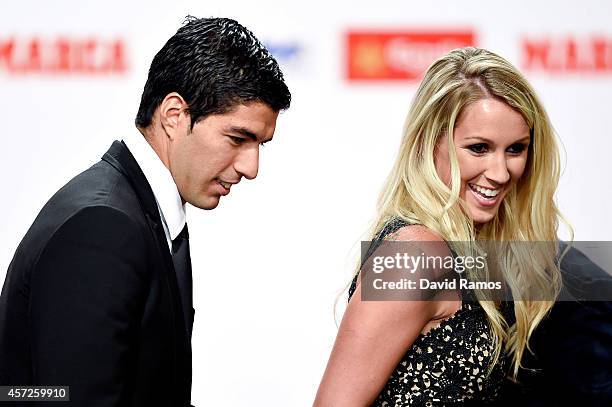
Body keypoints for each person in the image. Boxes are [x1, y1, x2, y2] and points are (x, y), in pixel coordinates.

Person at [0, 16, 290, 406]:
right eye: (238, 138)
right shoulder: (103, 227)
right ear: (174, 115)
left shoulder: (139, 213)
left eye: (260, 145)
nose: (250, 168)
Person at [314, 47, 565, 406]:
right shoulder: (415, 254)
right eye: (479, 148)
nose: (499, 172)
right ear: (430, 143)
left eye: (515, 149)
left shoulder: (474, 249)